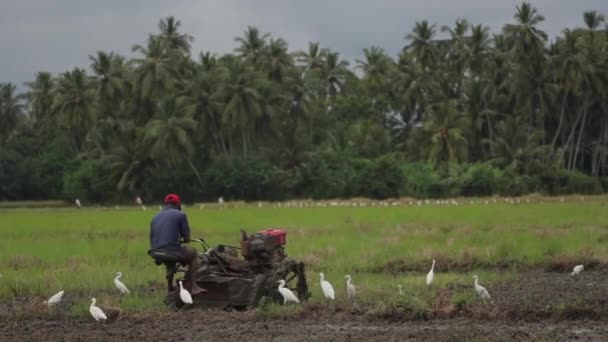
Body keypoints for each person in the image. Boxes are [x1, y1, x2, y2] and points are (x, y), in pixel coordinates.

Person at [150, 193, 206, 295]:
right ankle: (194, 286)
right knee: (192, 253)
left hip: (155, 251)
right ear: (178, 204)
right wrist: (182, 239)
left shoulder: (155, 217)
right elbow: (187, 238)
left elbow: (152, 237)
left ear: (165, 204)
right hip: (170, 251)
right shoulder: (181, 215)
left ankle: (170, 287)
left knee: (170, 254)